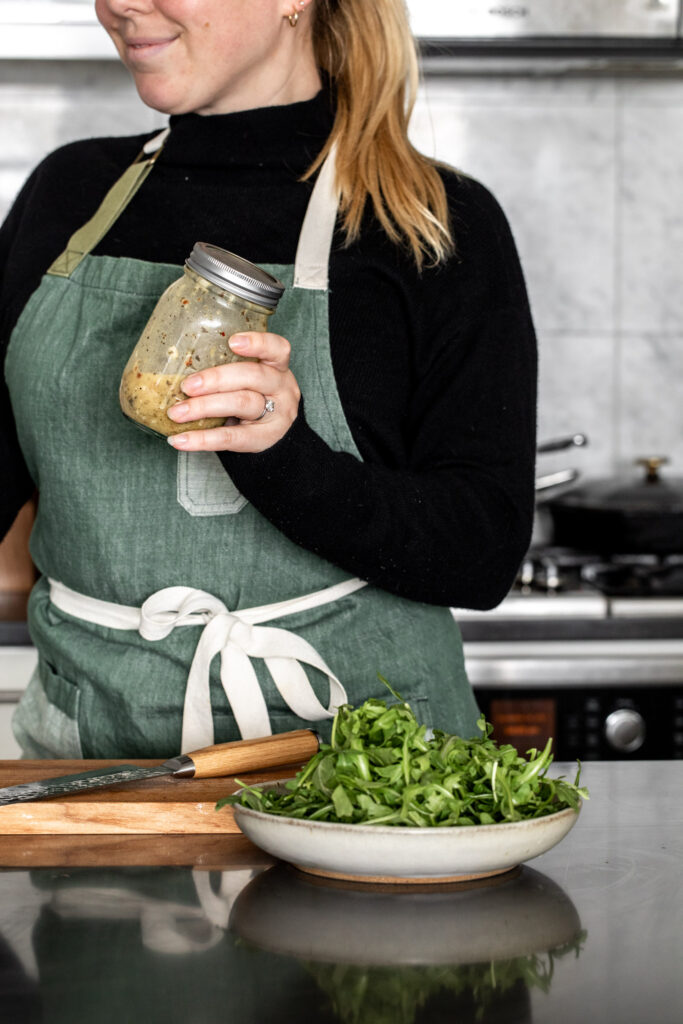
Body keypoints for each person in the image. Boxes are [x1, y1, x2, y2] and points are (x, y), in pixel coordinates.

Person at [0, 0, 537, 759]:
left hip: (360, 767)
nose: (120, 3)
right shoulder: (69, 193)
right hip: (94, 758)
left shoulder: (427, 223)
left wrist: (284, 457)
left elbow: (480, 553)